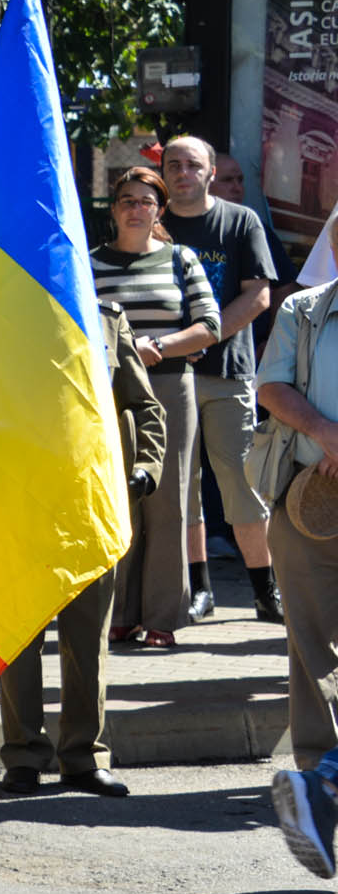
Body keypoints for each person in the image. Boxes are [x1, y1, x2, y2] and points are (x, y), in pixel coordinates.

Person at [0, 300, 163, 797]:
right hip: (18, 492)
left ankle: (84, 757)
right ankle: (23, 755)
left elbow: (143, 405)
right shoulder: (1, 310)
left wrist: (146, 468)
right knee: (18, 636)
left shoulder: (105, 317)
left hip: (89, 495)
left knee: (87, 635)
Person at [94, 166, 221, 648]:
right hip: (109, 394)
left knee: (169, 502)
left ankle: (164, 616)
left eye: (145, 201)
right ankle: (120, 612)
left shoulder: (181, 259)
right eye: (126, 199)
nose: (134, 208)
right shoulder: (89, 262)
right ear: (114, 207)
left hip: (169, 389)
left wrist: (159, 347)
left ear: (159, 210)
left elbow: (210, 324)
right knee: (117, 500)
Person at [160, 135, 282, 625]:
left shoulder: (240, 221)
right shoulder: (152, 220)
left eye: (192, 164)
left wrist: (203, 339)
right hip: (168, 376)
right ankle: (201, 590)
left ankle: (265, 590)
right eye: (173, 164)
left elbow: (258, 297)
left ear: (211, 172)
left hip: (227, 372)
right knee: (183, 487)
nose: (182, 172)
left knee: (241, 483)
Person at [261, 280, 338, 877]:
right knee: (312, 644)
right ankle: (318, 783)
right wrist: (323, 430)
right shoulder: (304, 309)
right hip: (309, 499)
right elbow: (270, 386)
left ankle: (322, 793)